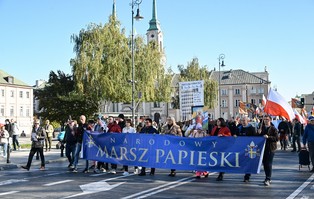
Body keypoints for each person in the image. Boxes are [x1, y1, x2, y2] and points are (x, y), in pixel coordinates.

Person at [257, 115, 279, 186]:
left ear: (270, 120)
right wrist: (258, 133)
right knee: (264, 163)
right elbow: (257, 138)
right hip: (263, 148)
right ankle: (267, 177)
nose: (266, 121)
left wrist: (268, 137)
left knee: (269, 163)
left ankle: (268, 178)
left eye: (267, 119)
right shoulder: (262, 128)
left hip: (270, 148)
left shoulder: (273, 129)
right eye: (265, 119)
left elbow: (276, 138)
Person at [235, 116, 257, 182]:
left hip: (249, 149)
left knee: (248, 162)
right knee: (242, 162)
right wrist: (235, 136)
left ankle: (247, 176)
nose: (243, 122)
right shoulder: (239, 128)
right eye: (242, 121)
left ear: (248, 121)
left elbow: (255, 138)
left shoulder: (251, 128)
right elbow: (236, 135)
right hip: (241, 148)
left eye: (244, 121)